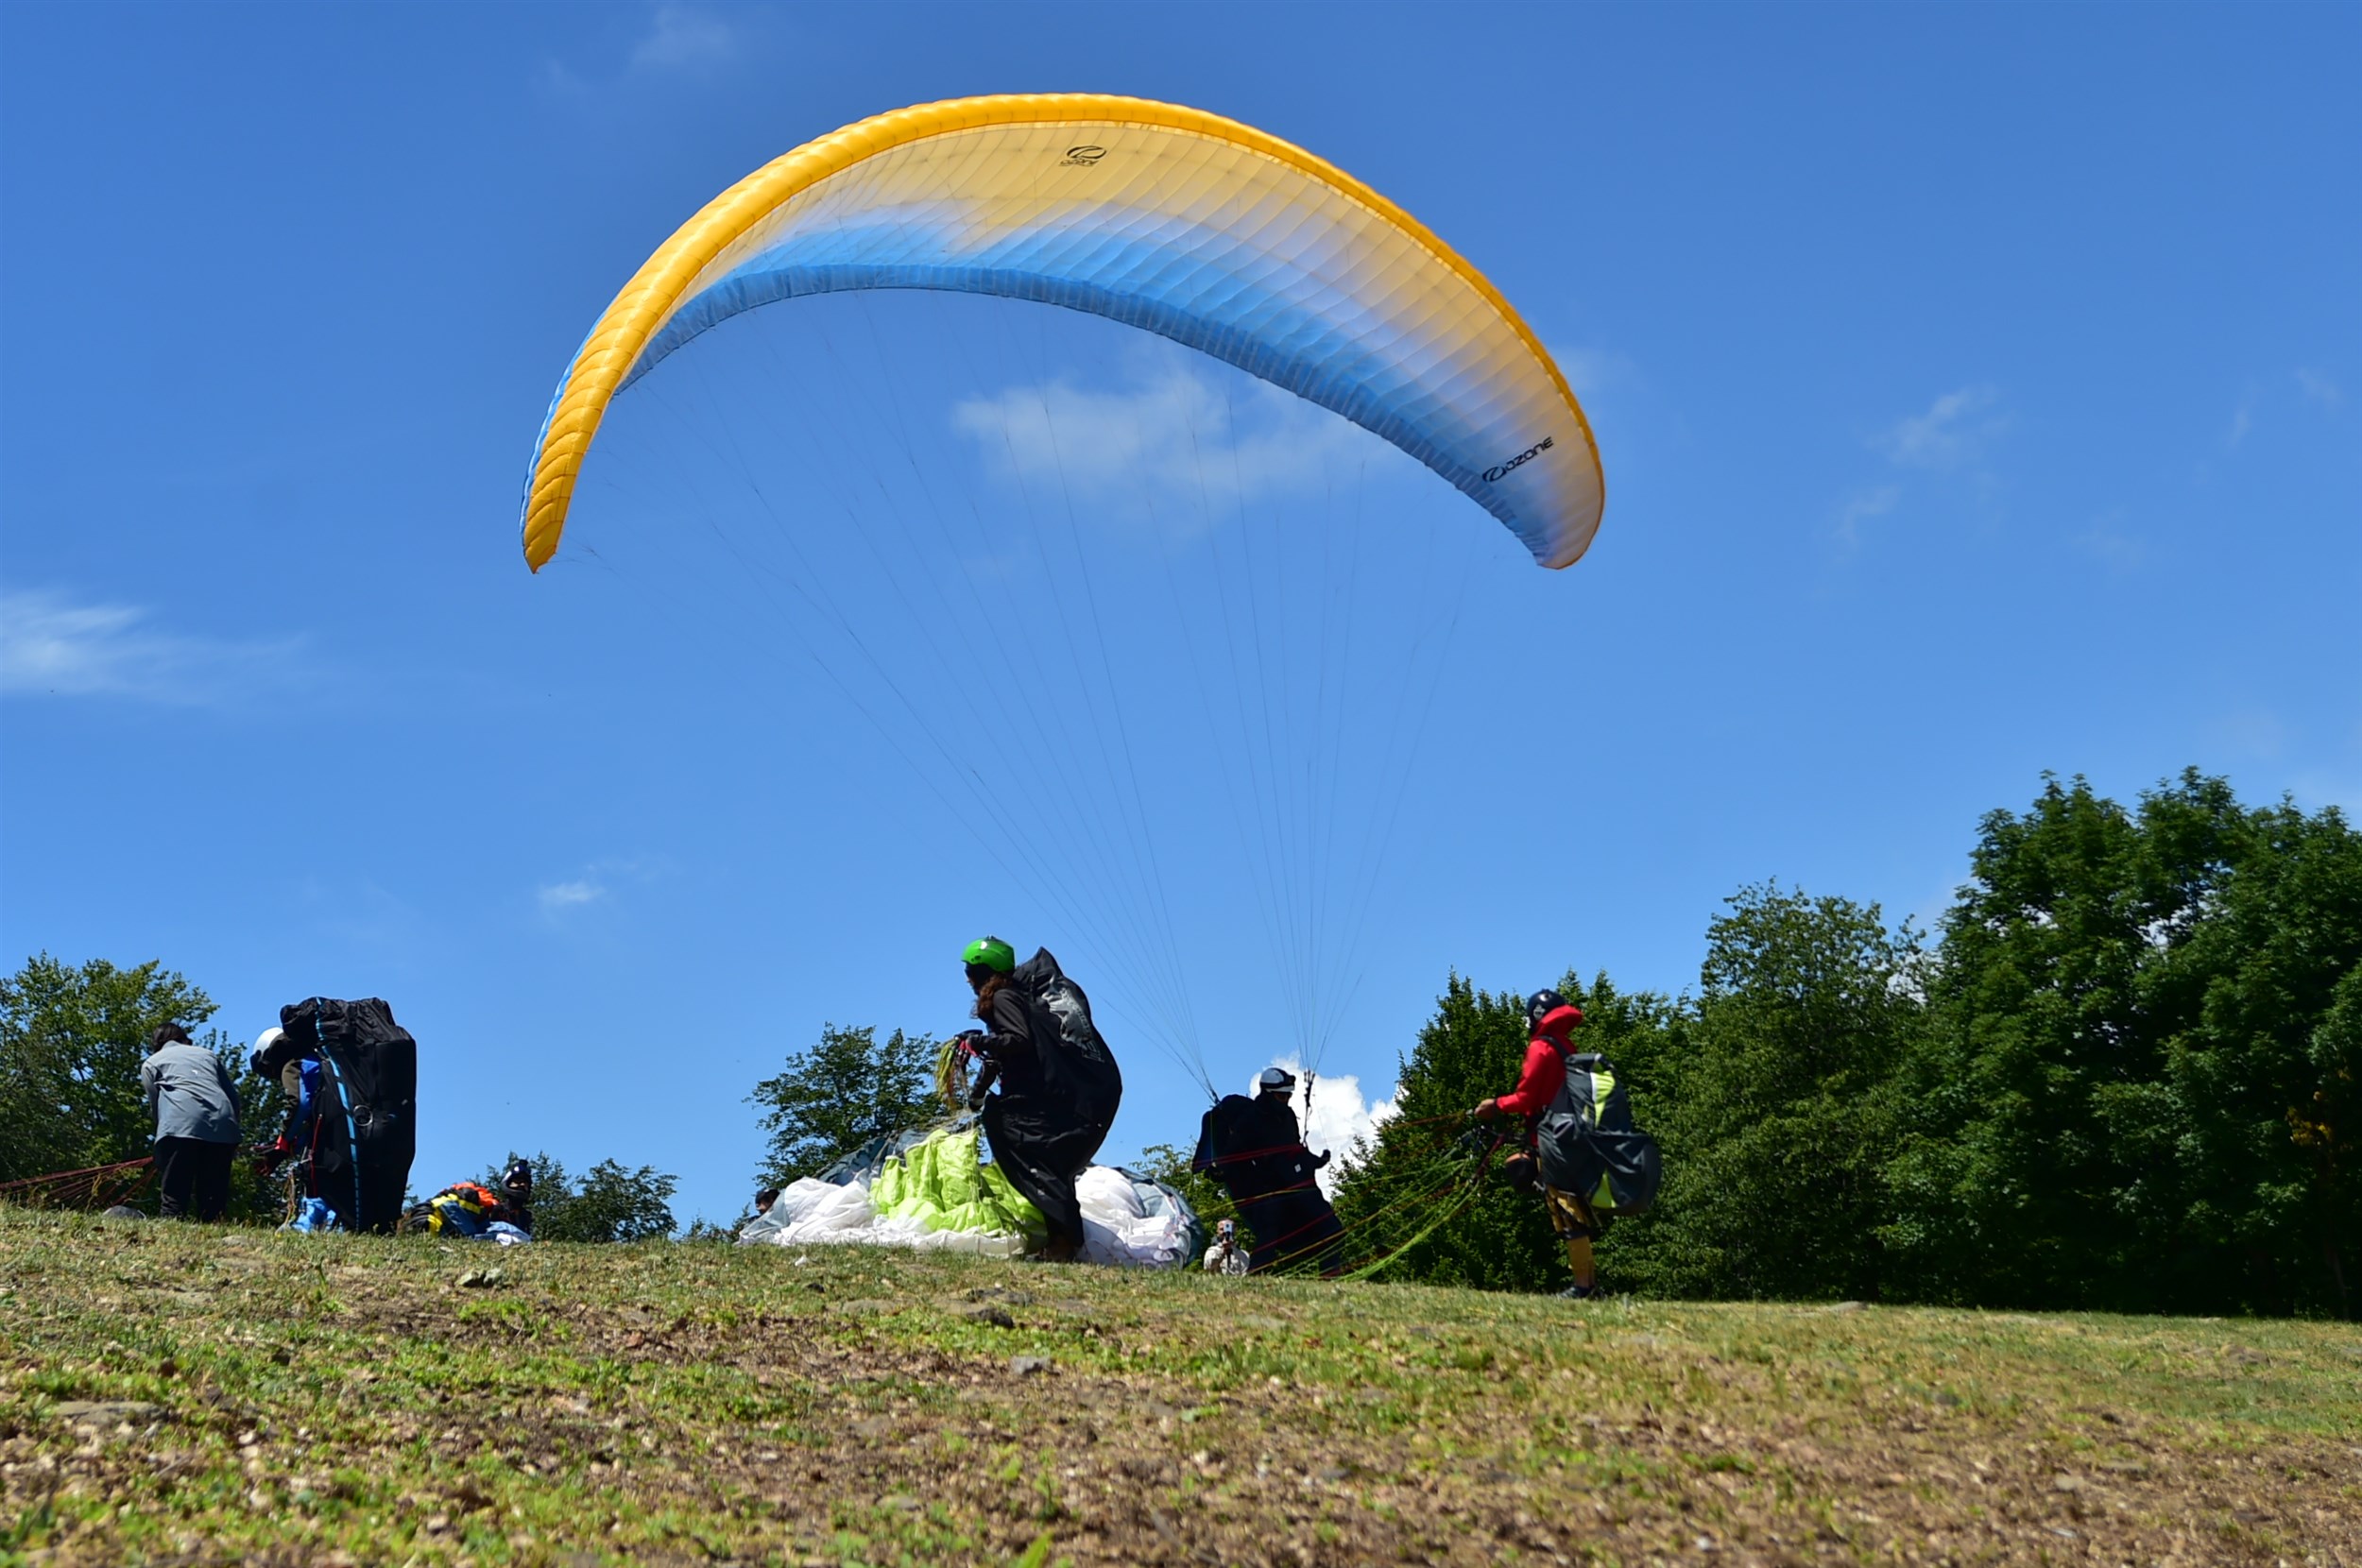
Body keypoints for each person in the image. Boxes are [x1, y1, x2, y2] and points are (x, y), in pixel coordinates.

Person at [956, 936, 1122, 1263]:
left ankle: (1065, 1242)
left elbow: (1017, 1040)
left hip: (1037, 1103)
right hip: (1048, 1101)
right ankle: (1062, 1243)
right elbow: (1000, 1059)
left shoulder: (1004, 997)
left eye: (971, 970)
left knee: (1032, 1157)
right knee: (1050, 1166)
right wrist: (975, 1096)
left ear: (984, 972)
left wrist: (982, 1042)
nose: (967, 978)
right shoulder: (1013, 999)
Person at [1473, 989, 1636, 1301]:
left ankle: (1584, 1288)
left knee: (1567, 1211)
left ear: (1534, 1017)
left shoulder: (1539, 1049)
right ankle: (1588, 1285)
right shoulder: (1565, 1046)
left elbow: (1526, 1098)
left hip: (1554, 1140)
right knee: (1570, 1208)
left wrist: (1494, 1105)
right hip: (1573, 1136)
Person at [1191, 1066, 1345, 1274]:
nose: (1286, 1100)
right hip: (1268, 1190)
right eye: (1282, 1096)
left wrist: (1316, 1161)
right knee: (1270, 1230)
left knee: (1332, 1227)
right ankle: (1256, 1276)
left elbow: (1293, 1148)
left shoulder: (1288, 1117)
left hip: (1297, 1185)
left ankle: (1330, 1276)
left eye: (1288, 1095)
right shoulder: (1250, 1119)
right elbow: (1234, 1153)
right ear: (1268, 1093)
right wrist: (1222, 1171)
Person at [140, 1022, 241, 1220]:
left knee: (175, 1194)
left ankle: (171, 1232)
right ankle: (218, 1239)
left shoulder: (151, 1063)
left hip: (179, 1125)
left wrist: (162, 1145)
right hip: (222, 1124)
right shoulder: (207, 1055)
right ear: (183, 1037)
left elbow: (156, 1107)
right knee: (213, 1199)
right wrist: (233, 1133)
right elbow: (233, 1098)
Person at [404, 1159, 535, 1239]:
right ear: (507, 1183)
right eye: (517, 1181)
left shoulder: (526, 1218)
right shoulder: (491, 1207)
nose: (522, 1185)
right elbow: (449, 1205)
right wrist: (470, 1237)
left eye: (525, 1183)